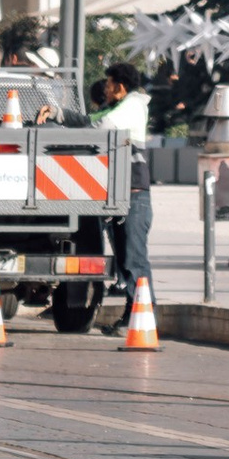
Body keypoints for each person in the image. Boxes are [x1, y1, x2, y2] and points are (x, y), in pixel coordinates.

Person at [94, 63, 154, 300]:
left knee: (134, 260)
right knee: (125, 259)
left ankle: (145, 314)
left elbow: (103, 124)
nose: (105, 89)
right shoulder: (121, 105)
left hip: (134, 195)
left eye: (108, 84)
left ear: (120, 86)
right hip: (123, 195)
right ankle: (132, 313)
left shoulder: (133, 105)